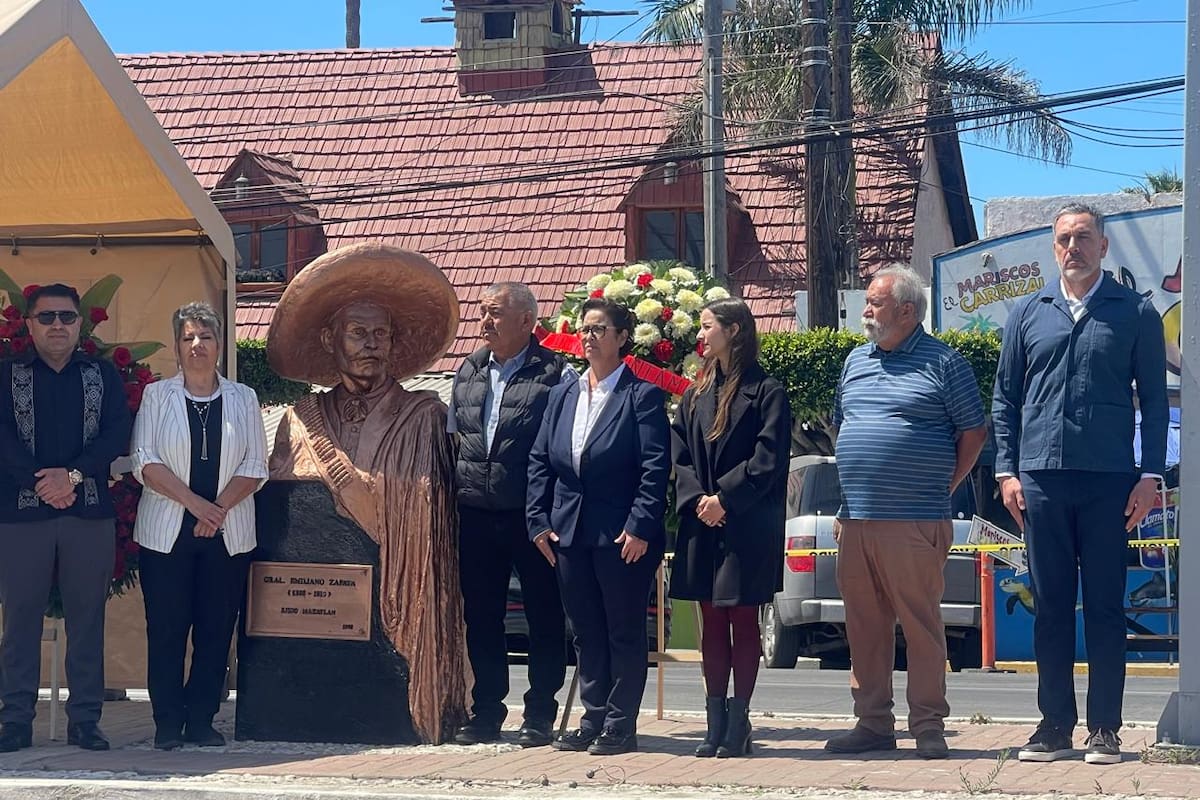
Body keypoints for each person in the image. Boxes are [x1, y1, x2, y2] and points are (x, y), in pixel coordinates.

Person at [268, 243, 467, 744]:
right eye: (357, 332)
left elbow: (433, 514)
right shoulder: (297, 422)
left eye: (381, 333)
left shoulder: (425, 420)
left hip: (393, 612)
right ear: (329, 339)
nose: (370, 344)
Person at [992, 203, 1168, 765]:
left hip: (1110, 483)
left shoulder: (1134, 312)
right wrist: (1006, 471)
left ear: (1103, 247)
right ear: (1053, 248)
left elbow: (1157, 403)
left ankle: (1105, 730)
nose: (1074, 247)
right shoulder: (1027, 313)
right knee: (1050, 605)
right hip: (1041, 480)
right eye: (1065, 239)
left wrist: (1151, 475)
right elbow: (1005, 400)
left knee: (1104, 608)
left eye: (1084, 237)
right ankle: (1052, 725)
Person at [826, 265, 987, 760]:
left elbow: (974, 434)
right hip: (855, 519)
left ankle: (928, 727)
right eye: (868, 302)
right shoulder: (854, 361)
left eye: (875, 303)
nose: (866, 311)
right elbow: (842, 427)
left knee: (920, 627)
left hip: (916, 519)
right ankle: (872, 723)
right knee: (864, 627)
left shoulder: (945, 364)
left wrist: (943, 487)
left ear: (907, 311)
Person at [527, 296, 670, 755]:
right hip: (568, 532)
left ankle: (620, 723)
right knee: (585, 630)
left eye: (599, 330)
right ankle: (593, 718)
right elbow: (539, 460)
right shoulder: (562, 393)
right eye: (585, 329)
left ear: (623, 339)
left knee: (623, 630)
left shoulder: (641, 395)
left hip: (622, 535)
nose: (589, 338)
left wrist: (641, 526)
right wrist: (538, 521)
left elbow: (655, 468)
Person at [130, 302, 269, 750]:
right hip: (166, 533)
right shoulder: (157, 396)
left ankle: (202, 719)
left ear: (219, 345)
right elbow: (145, 461)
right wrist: (195, 505)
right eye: (189, 337)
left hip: (227, 534)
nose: (197, 346)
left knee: (214, 630)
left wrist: (218, 510)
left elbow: (255, 464)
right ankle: (168, 722)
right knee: (167, 629)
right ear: (177, 346)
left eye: (205, 337)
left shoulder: (244, 398)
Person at [0, 284, 132, 752]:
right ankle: (15, 720)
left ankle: (85, 721)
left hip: (89, 512)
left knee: (87, 619)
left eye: (67, 317)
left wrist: (72, 476)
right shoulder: (7, 374)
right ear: (29, 324)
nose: (58, 325)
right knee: (19, 621)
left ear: (81, 324)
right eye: (48, 317)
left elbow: (118, 432)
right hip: (20, 516)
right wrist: (42, 482)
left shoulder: (102, 375)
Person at [447, 282, 568, 747]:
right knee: (481, 615)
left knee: (544, 614)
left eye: (495, 313)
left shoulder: (557, 375)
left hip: (532, 516)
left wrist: (549, 513)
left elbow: (562, 449)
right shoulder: (470, 370)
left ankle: (539, 713)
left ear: (526, 321)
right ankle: (486, 711)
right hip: (476, 512)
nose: (484, 321)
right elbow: (456, 441)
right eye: (483, 312)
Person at [669, 297, 790, 758]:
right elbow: (678, 455)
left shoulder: (767, 391)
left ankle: (739, 723)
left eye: (706, 327)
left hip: (746, 526)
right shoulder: (694, 394)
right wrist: (699, 499)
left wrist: (726, 498)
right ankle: (714, 724)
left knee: (742, 618)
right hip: (703, 522)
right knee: (711, 621)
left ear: (734, 330)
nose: (700, 336)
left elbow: (769, 459)